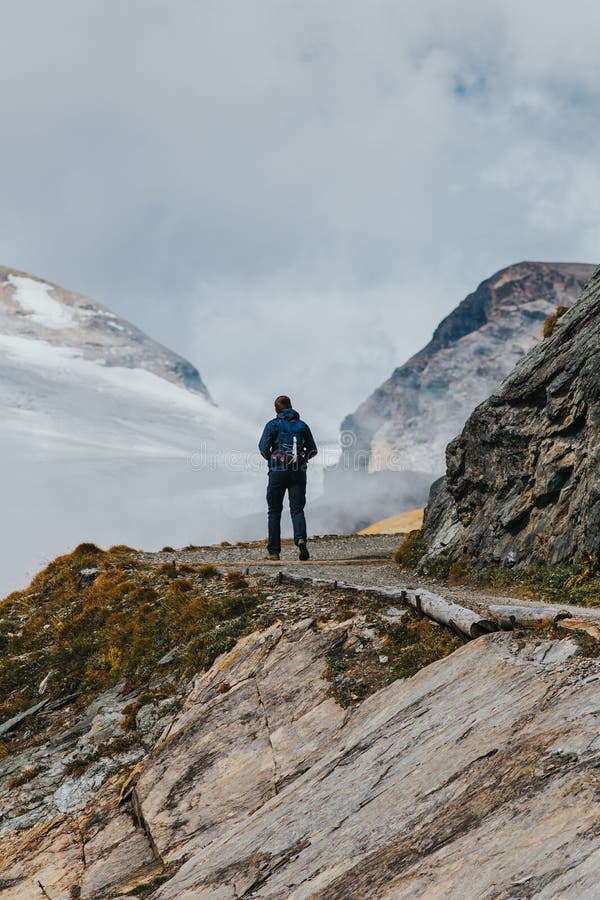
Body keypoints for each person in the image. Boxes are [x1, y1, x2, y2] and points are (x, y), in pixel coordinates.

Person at [258, 395, 318, 561]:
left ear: (276, 409)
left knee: (274, 511)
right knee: (297, 510)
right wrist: (302, 460)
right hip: (298, 472)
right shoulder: (302, 425)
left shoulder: (273, 425)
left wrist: (272, 458)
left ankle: (274, 552)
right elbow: (313, 449)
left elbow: (263, 448)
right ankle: (300, 539)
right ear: (291, 406)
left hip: (278, 472)